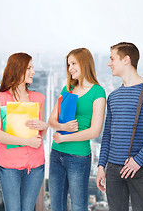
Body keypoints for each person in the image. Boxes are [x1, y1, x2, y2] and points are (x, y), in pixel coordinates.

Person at [95, 42, 143, 211]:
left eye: (112, 58)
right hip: (113, 170)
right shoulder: (113, 96)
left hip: (140, 168)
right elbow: (108, 135)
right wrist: (101, 166)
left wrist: (138, 161)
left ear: (126, 59)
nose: (109, 63)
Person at [48, 48, 106, 211]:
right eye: (68, 65)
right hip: (56, 154)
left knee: (79, 206)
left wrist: (64, 137)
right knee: (56, 206)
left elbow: (95, 131)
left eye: (73, 63)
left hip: (78, 157)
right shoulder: (67, 89)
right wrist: (62, 127)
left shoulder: (98, 92)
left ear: (84, 63)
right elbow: (51, 119)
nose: (70, 68)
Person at [0, 52, 49, 211]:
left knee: (28, 209)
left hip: (35, 164)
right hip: (9, 165)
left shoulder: (39, 98)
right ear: (18, 69)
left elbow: (40, 134)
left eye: (32, 67)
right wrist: (26, 142)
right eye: (29, 68)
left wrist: (44, 126)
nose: (33, 72)